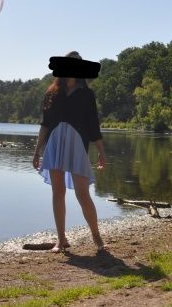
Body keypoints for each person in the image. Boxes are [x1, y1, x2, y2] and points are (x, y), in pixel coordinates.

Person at [32, 51, 107, 253]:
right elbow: (45, 124)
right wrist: (37, 151)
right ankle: (61, 239)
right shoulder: (52, 93)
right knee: (58, 192)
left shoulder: (87, 94)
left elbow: (93, 125)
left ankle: (96, 236)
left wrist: (101, 152)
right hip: (54, 143)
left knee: (83, 193)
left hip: (77, 144)